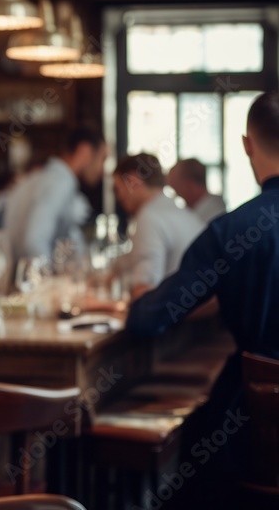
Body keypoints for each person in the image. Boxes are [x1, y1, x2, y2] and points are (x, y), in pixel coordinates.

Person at [126, 92, 279, 506]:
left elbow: (147, 319)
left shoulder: (233, 231)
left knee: (194, 466)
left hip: (257, 431)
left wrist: (139, 297)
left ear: (247, 145)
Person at [3, 127, 107, 262]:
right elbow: (34, 241)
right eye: (103, 159)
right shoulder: (60, 182)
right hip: (30, 279)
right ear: (84, 151)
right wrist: (50, 280)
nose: (103, 170)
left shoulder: (42, 177)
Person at [111, 154, 204, 298]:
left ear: (133, 180)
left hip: (178, 318)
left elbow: (144, 293)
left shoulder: (149, 217)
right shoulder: (184, 213)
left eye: (118, 188)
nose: (119, 197)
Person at [167, 158, 227, 222]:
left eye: (176, 188)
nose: (175, 194)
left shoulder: (215, 216)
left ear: (190, 184)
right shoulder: (193, 212)